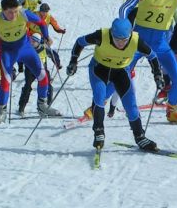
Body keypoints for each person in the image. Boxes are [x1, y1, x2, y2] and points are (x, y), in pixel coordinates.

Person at [67, 18, 158, 151]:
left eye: (124, 40)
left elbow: (152, 56)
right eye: (117, 40)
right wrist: (73, 61)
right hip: (99, 69)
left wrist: (157, 74)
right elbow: (80, 42)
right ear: (111, 34)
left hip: (120, 72)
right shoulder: (101, 35)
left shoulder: (136, 40)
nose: (121, 43)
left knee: (131, 105)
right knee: (99, 96)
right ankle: (99, 132)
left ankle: (140, 137)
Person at [0, 0, 60, 123]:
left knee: (43, 76)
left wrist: (46, 36)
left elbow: (41, 23)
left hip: (26, 49)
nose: (14, 15)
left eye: (15, 11)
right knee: (5, 80)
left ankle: (42, 105)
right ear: (4, 10)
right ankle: (1, 111)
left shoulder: (23, 13)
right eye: (10, 12)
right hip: (8, 52)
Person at [17, 32, 58, 117]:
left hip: (43, 70)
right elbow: (20, 57)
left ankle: (47, 107)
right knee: (27, 87)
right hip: (30, 70)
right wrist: (20, 67)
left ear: (39, 42)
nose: (32, 43)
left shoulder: (44, 48)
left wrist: (57, 63)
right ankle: (21, 108)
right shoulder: (27, 48)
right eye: (31, 40)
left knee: (48, 87)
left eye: (34, 41)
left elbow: (54, 55)